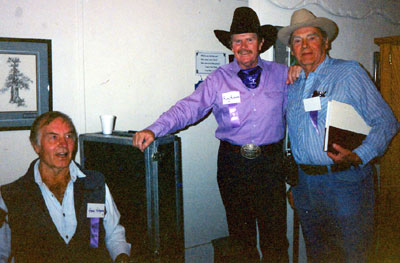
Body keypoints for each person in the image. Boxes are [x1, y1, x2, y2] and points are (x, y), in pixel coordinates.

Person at [132, 6, 296, 263]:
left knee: (274, 238)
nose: (243, 46)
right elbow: (189, 107)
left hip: (270, 165)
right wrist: (155, 128)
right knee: (241, 239)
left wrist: (301, 74)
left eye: (249, 39)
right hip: (233, 165)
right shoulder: (218, 79)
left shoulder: (282, 75)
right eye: (237, 40)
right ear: (231, 45)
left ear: (261, 43)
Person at [278, 8, 400, 263]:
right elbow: (295, 136)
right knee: (317, 256)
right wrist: (295, 183)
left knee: (353, 254)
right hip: (305, 186)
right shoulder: (293, 82)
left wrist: (359, 155)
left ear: (326, 41)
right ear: (292, 48)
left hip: (345, 183)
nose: (305, 45)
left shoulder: (349, 72)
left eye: (311, 37)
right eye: (298, 41)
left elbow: (386, 122)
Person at [0, 111, 131, 263]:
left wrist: (121, 257)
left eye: (69, 136)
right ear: (36, 146)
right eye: (54, 137)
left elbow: (113, 233)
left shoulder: (95, 184)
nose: (63, 144)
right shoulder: (11, 195)